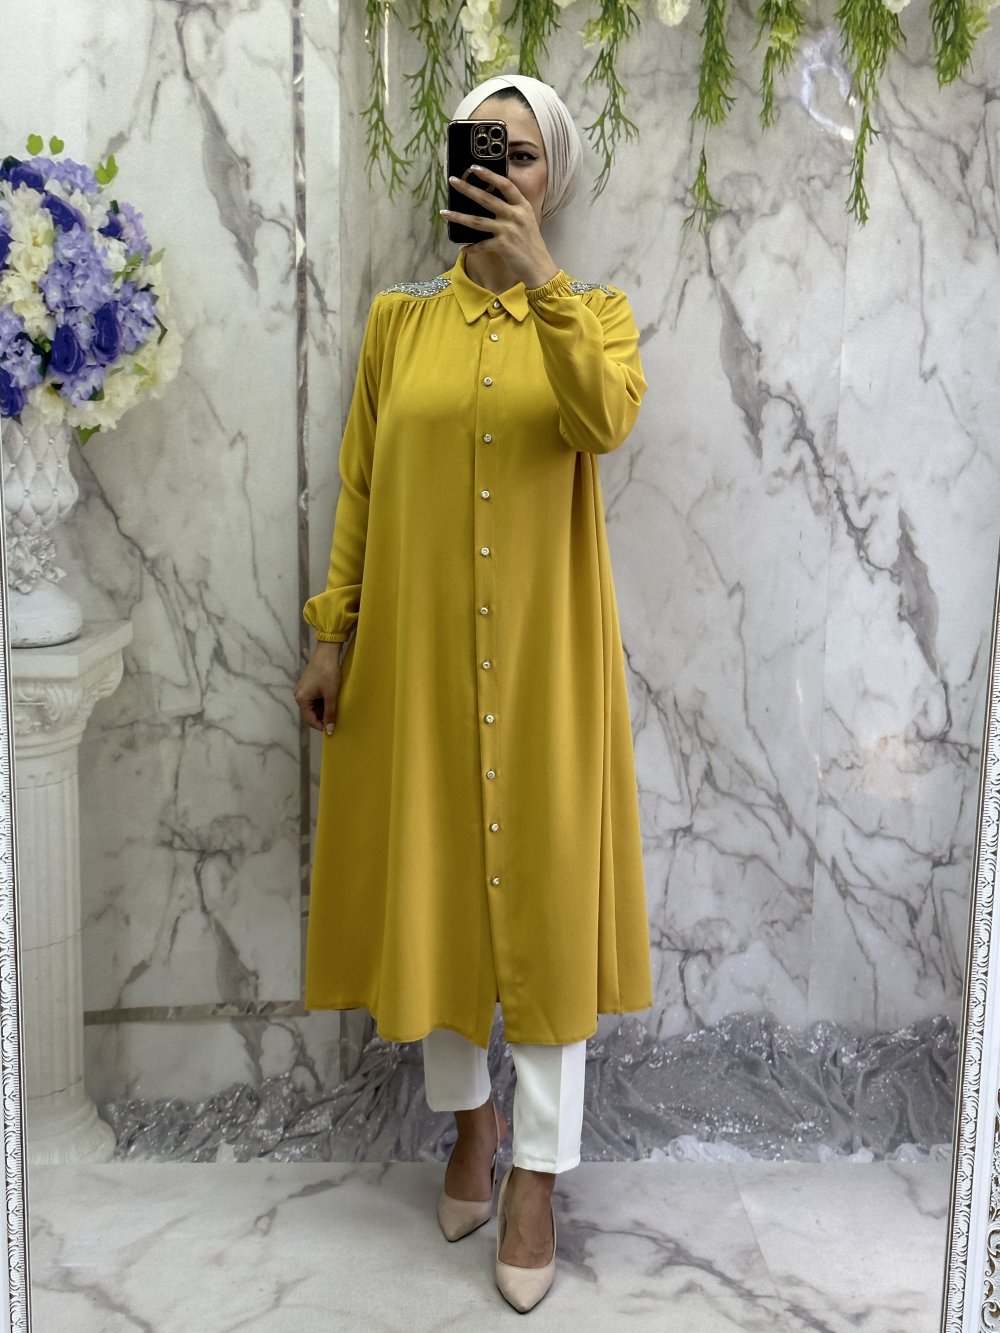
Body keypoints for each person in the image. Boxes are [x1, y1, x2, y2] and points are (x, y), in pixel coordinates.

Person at [293, 73, 653, 1313]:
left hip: (546, 670)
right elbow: (360, 485)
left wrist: (540, 275)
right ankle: (471, 1124)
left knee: (546, 912)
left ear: (555, 178)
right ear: (450, 165)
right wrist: (333, 635)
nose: (502, 169)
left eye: (525, 153)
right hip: (415, 666)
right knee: (438, 895)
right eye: (482, 147)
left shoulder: (595, 316)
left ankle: (537, 1174)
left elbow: (601, 421)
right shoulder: (397, 325)